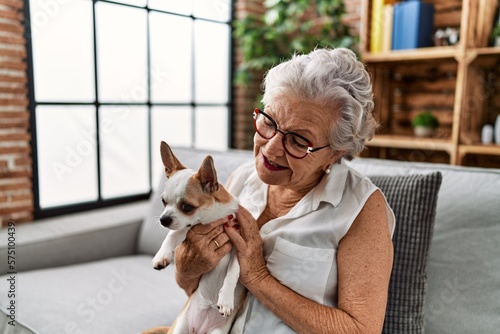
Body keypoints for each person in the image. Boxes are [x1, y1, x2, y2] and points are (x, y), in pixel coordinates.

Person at [170, 48, 395, 334]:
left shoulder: (361, 209)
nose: (271, 148)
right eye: (268, 122)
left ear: (335, 154)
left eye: (299, 141)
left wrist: (258, 276)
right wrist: (185, 268)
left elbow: (361, 330)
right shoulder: (241, 180)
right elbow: (197, 292)